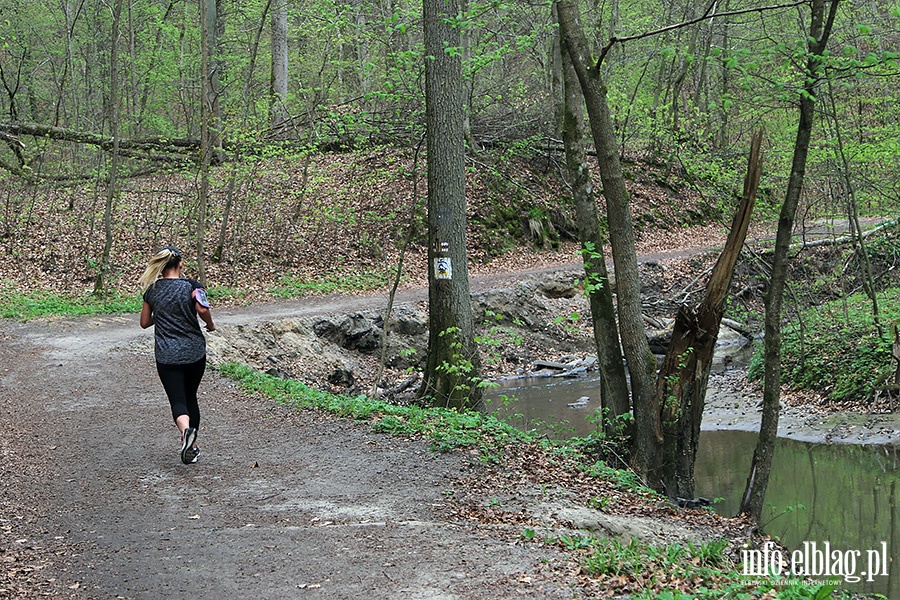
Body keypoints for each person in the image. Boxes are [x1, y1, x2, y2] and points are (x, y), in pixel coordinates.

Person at [139, 246, 216, 464]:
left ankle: (186, 433)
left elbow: (144, 322)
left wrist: (162, 315)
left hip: (166, 355)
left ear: (161, 267)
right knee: (191, 396)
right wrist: (210, 324)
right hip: (194, 352)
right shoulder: (192, 286)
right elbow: (202, 309)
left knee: (178, 399)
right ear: (180, 265)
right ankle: (191, 445)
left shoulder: (152, 291)